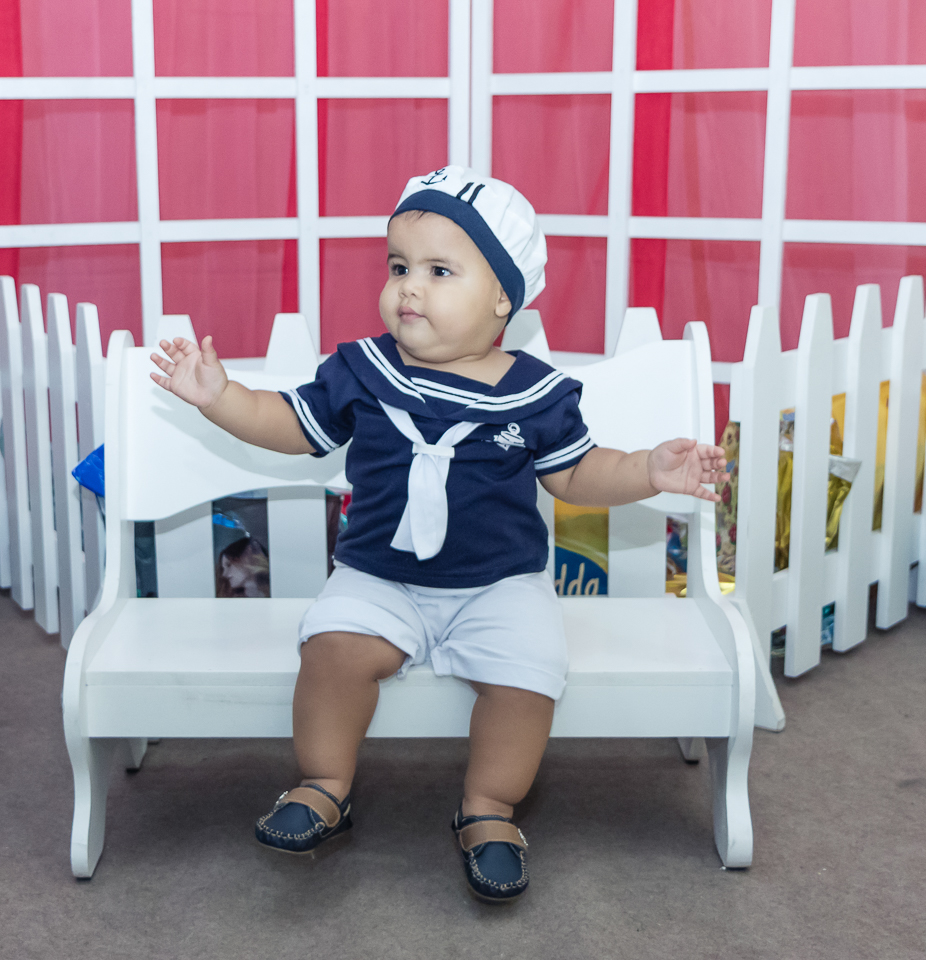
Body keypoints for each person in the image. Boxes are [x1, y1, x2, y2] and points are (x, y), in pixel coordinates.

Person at [149, 165, 728, 903]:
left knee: (529, 674)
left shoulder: (538, 392)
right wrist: (222, 398)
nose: (408, 287)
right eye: (398, 267)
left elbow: (578, 475)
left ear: (500, 299)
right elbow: (291, 426)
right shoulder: (362, 370)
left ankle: (489, 807)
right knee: (330, 650)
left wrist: (648, 469)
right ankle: (325, 782)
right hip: (378, 575)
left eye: (438, 270)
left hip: (499, 583)